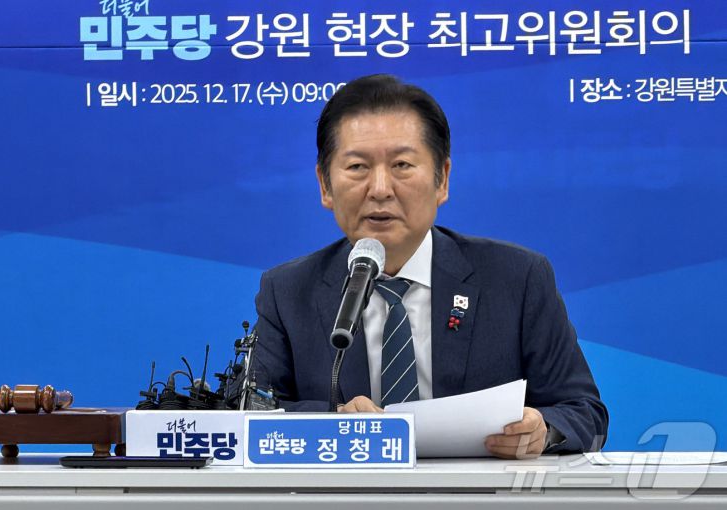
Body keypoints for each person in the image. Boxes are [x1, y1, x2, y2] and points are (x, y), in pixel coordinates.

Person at [252, 74, 608, 458]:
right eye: (357, 167)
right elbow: (250, 410)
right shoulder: (288, 291)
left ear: (442, 180)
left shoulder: (517, 279)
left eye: (402, 165)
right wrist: (333, 421)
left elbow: (584, 413)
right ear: (325, 185)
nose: (380, 189)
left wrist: (544, 430)